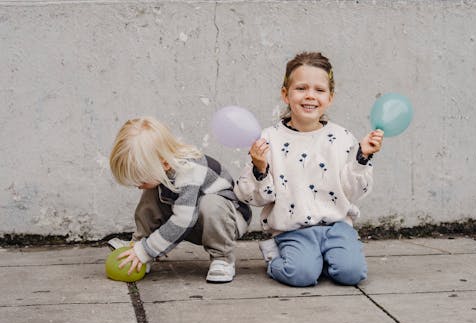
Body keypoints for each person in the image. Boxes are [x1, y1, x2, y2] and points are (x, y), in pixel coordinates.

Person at [234, 52, 384, 287]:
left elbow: (353, 192)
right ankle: (277, 256)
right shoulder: (268, 139)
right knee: (300, 275)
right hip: (293, 229)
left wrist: (362, 156)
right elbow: (250, 196)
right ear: (286, 94)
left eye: (319, 90)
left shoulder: (342, 137)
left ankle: (324, 257)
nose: (310, 96)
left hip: (336, 226)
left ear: (330, 97)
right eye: (301, 88)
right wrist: (259, 168)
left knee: (351, 274)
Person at [109, 117, 251, 283]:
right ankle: (138, 243)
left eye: (141, 179)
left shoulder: (190, 170)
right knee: (151, 193)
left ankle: (223, 258)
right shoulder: (164, 167)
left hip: (227, 221)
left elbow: (183, 220)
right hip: (193, 218)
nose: (137, 185)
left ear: (165, 164)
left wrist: (147, 251)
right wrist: (142, 249)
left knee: (211, 204)